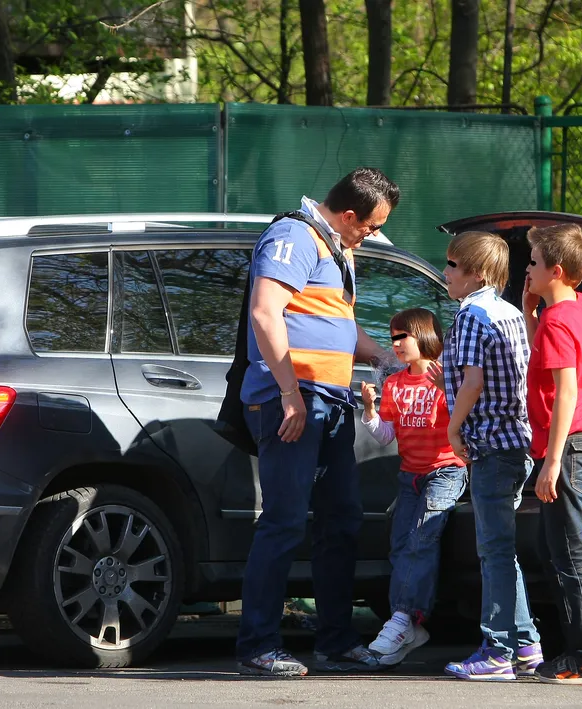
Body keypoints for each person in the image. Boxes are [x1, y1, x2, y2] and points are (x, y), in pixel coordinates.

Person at [236, 167, 398, 677]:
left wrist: (389, 360)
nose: (371, 236)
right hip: (293, 401)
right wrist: (289, 394)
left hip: (331, 401)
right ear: (348, 215)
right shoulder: (292, 237)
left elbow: (339, 327)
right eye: (370, 227)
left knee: (341, 519)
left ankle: (335, 639)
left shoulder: (337, 247)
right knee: (284, 521)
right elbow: (266, 314)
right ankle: (257, 646)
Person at [440, 231, 544, 681]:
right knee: (502, 550)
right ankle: (526, 645)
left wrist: (452, 426)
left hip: (491, 444)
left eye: (452, 265)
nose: (445, 273)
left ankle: (497, 651)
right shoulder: (508, 314)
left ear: (475, 274)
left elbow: (473, 380)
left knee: (495, 552)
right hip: (516, 444)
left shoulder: (470, 316)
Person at [522, 223, 582, 685]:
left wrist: (553, 461)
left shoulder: (559, 321)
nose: (527, 268)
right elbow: (553, 351)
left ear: (556, 270)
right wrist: (528, 313)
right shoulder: (578, 306)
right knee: (557, 546)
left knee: (571, 552)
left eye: (534, 262)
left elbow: (565, 392)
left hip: (570, 444)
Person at [360, 308, 467, 666]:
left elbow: (467, 422)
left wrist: (447, 391)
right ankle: (406, 623)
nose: (396, 344)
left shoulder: (445, 378)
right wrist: (371, 412)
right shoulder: (394, 384)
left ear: (424, 335)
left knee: (421, 541)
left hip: (445, 471)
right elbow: (386, 436)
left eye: (402, 336)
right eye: (393, 337)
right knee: (400, 543)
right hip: (410, 475)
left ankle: (405, 618)